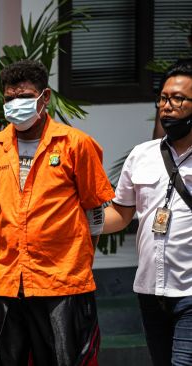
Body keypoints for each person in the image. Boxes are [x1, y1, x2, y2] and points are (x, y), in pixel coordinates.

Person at [0, 60, 115, 365]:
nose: (16, 105)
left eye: (24, 97)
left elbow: (94, 210)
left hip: (63, 281)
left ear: (45, 97)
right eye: (9, 99)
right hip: (9, 282)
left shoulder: (75, 145)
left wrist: (80, 260)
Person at [103, 61, 192, 366]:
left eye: (178, 99)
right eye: (164, 99)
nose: (168, 107)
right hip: (150, 290)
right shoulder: (142, 155)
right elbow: (121, 214)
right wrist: (71, 221)